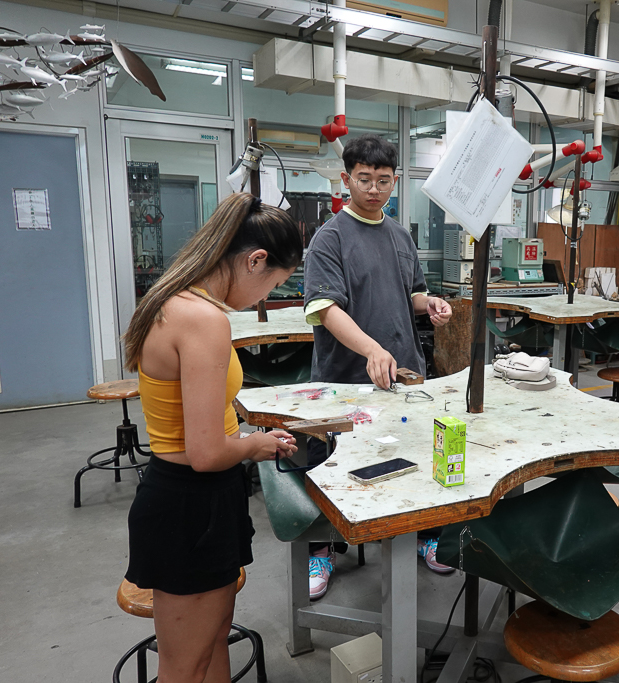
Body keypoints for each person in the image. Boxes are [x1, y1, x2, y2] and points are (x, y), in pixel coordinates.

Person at [122, 193, 301, 683]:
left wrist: (241, 437)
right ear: (255, 260)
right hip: (189, 506)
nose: (264, 298)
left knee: (212, 642)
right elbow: (205, 454)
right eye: (273, 285)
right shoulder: (203, 319)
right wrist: (258, 445)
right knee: (184, 668)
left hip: (197, 499)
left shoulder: (176, 300)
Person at [303, 133, 454, 598]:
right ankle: (322, 550)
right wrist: (370, 349)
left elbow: (412, 293)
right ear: (346, 179)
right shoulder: (330, 238)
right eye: (364, 179)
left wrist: (431, 304)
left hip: (403, 373)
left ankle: (424, 535)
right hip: (345, 379)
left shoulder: (400, 235)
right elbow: (326, 308)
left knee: (413, 459)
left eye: (383, 180)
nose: (373, 189)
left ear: (395, 182)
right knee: (333, 466)